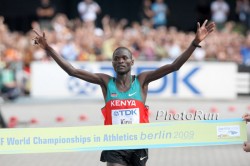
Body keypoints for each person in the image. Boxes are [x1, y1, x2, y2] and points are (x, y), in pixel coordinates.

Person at [33, 19, 215, 166]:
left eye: (124, 58)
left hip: (139, 145)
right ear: (112, 63)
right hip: (115, 145)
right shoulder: (105, 82)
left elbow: (174, 66)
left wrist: (195, 42)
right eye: (116, 59)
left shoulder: (142, 81)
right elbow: (72, 71)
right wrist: (49, 49)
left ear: (131, 62)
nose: (120, 61)